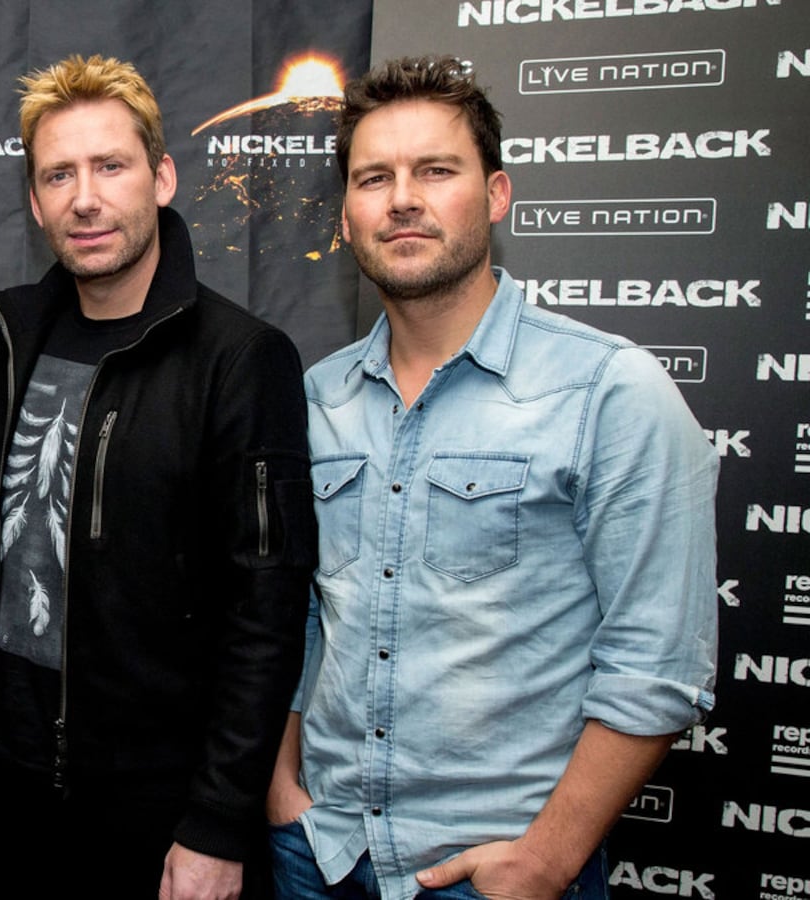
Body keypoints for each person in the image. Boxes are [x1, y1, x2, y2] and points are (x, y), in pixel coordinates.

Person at [265, 55, 719, 900]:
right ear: (348, 213)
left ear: (497, 195)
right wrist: (284, 785)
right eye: (374, 178)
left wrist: (548, 857)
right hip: (318, 856)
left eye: (435, 170)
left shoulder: (609, 392)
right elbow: (304, 618)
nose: (403, 197)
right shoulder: (315, 399)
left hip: (494, 872)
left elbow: (659, 662)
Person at [0, 54, 316, 900]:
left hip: (158, 807)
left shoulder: (241, 360)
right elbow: (2, 544)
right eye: (58, 174)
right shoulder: (19, 343)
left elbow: (267, 612)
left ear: (161, 177)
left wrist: (214, 821)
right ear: (33, 200)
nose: (84, 197)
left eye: (110, 166)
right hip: (13, 785)